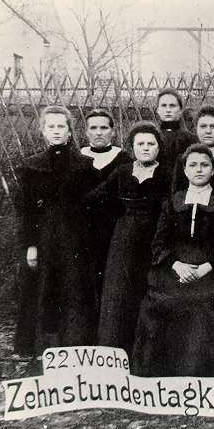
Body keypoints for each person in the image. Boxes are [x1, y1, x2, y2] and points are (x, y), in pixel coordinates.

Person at [132, 144, 214, 376]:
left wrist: (204, 269)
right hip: (175, 268)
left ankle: (198, 372)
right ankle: (161, 373)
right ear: (185, 170)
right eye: (193, 165)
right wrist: (177, 265)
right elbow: (159, 242)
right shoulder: (173, 201)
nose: (199, 169)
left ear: (213, 170)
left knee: (203, 305)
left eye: (204, 165)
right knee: (162, 301)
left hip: (211, 270)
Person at [14, 105, 98, 354]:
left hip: (76, 239)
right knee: (44, 289)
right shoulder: (32, 167)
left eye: (61, 126)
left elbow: (93, 206)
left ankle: (76, 346)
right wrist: (30, 245)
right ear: (43, 131)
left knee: (75, 289)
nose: (56, 131)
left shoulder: (85, 166)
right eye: (51, 126)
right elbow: (26, 212)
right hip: (45, 238)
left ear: (70, 131)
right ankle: (46, 348)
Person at [87, 121, 170, 354]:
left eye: (150, 144)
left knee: (147, 291)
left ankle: (144, 354)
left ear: (158, 147)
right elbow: (96, 197)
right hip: (124, 239)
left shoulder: (167, 173)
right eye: (140, 144)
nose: (145, 148)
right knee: (119, 292)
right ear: (132, 147)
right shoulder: (123, 171)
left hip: (154, 237)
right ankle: (115, 351)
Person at [81, 109, 132, 303]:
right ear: (86, 132)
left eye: (104, 128)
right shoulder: (78, 159)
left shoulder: (124, 159)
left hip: (114, 229)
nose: (99, 132)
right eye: (93, 128)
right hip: (85, 229)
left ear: (113, 131)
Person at [172, 105, 214, 196]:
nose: (208, 131)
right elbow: (176, 196)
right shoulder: (183, 159)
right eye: (203, 126)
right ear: (196, 129)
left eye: (213, 127)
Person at [154, 88, 197, 172]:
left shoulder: (191, 140)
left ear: (180, 110)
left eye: (172, 106)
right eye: (164, 105)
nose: (168, 110)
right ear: (158, 110)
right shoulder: (152, 138)